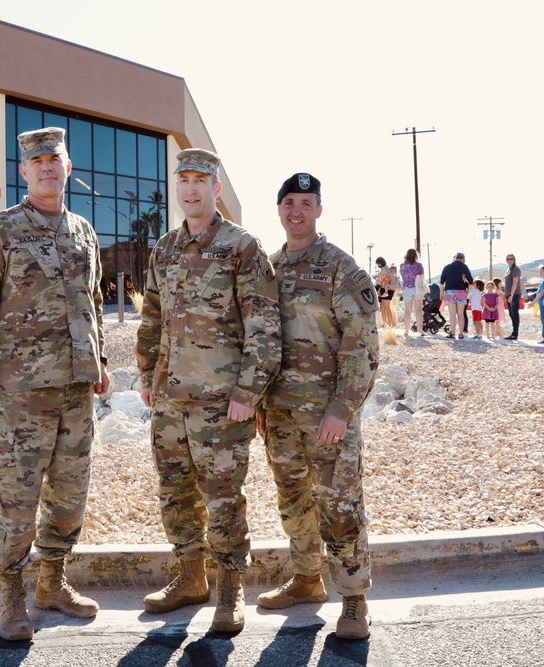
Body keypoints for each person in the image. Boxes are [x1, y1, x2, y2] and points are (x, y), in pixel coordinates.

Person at [0, 127, 110, 642]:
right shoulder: (0, 229)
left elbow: (92, 302)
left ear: (68, 167)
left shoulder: (83, 229)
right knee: (16, 498)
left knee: (69, 495)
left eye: (54, 160)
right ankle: (11, 594)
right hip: (19, 391)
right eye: (36, 162)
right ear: (23, 172)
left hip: (76, 390)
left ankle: (52, 583)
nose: (46, 168)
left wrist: (99, 360)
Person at [136, 148, 282, 633]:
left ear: (216, 188)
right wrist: (145, 377)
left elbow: (264, 326)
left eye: (202, 180)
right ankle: (191, 577)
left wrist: (248, 393)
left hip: (222, 402)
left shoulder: (242, 247)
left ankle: (229, 588)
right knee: (174, 492)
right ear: (176, 187)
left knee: (222, 496)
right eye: (184, 180)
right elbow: (152, 318)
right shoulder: (164, 248)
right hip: (169, 400)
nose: (192, 189)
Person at [257, 172, 379, 641]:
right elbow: (261, 342)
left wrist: (342, 410)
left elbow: (363, 348)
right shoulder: (268, 269)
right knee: (293, 502)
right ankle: (307, 579)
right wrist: (261, 404)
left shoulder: (342, 269)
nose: (296, 211)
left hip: (328, 414)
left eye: (305, 202)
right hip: (281, 413)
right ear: (280, 209)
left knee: (340, 505)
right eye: (289, 202)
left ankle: (353, 599)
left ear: (319, 210)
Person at [439, 252, 473, 339]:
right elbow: (471, 281)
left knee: (452, 314)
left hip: (449, 291)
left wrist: (441, 293)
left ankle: (452, 333)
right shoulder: (464, 267)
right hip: (461, 292)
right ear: (463, 259)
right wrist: (468, 293)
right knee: (461, 314)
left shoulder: (447, 267)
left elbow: (442, 282)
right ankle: (461, 333)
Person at [399, 248, 425, 336]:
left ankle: (406, 330)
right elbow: (422, 275)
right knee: (418, 310)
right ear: (416, 255)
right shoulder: (418, 265)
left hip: (406, 288)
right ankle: (420, 329)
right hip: (417, 288)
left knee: (407, 311)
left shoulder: (402, 266)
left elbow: (402, 277)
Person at [503, 254, 522, 339]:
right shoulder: (508, 269)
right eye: (508, 259)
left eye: (511, 259)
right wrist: (505, 294)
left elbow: (515, 283)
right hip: (508, 295)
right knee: (511, 314)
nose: (509, 260)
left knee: (514, 314)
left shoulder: (515, 269)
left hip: (514, 295)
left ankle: (515, 334)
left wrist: (511, 295)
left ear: (514, 259)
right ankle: (514, 333)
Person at [374, 257, 396, 328]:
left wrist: (377, 286)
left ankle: (389, 324)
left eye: (378, 263)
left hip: (385, 289)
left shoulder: (384, 269)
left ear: (381, 263)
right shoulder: (386, 268)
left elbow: (382, 280)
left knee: (386, 308)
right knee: (383, 309)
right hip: (387, 289)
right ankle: (385, 324)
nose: (378, 265)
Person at [533, 265, 544, 344]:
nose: (540, 273)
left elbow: (542, 292)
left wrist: (533, 302)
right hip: (542, 304)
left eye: (541, 271)